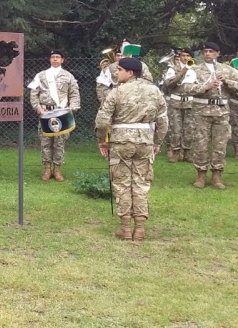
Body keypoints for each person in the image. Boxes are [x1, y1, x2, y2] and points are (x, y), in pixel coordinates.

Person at [95, 57, 168, 241]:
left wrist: (102, 140)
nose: (116, 72)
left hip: (121, 142)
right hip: (145, 142)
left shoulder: (117, 92)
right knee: (142, 183)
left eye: (119, 69)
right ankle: (140, 229)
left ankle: (126, 229)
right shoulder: (155, 91)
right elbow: (163, 121)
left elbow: (102, 120)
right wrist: (157, 142)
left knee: (122, 183)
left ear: (130, 72)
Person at [179, 42, 238, 189]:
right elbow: (186, 88)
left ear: (218, 53)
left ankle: (217, 175)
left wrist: (227, 81)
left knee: (220, 144)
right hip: (201, 111)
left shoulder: (228, 70)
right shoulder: (195, 69)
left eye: (211, 51)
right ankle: (201, 175)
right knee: (200, 144)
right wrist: (205, 87)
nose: (207, 54)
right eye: (205, 51)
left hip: (222, 112)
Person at [28, 50, 80, 181]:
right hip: (45, 113)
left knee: (59, 142)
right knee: (45, 142)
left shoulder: (68, 76)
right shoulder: (41, 75)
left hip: (61, 112)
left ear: (62, 60)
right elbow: (34, 93)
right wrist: (37, 107)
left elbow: (74, 93)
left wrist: (73, 107)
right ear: (50, 59)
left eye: (58, 57)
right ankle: (46, 170)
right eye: (53, 57)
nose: (55, 59)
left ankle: (57, 170)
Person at [161, 48, 195, 162]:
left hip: (190, 102)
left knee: (189, 128)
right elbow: (168, 83)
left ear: (191, 57)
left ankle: (187, 152)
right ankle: (176, 152)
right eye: (183, 55)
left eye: (187, 56)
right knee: (176, 127)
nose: (185, 58)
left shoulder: (197, 69)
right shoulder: (172, 69)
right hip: (175, 102)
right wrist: (182, 72)